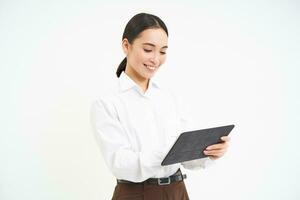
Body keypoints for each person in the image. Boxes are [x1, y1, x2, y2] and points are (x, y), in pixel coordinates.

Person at [90, 13, 230, 200]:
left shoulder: (169, 97)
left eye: (163, 51)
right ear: (126, 46)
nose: (156, 59)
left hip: (178, 191)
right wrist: (168, 152)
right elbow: (121, 164)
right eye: (148, 49)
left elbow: (186, 157)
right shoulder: (107, 102)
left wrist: (209, 152)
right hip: (136, 194)